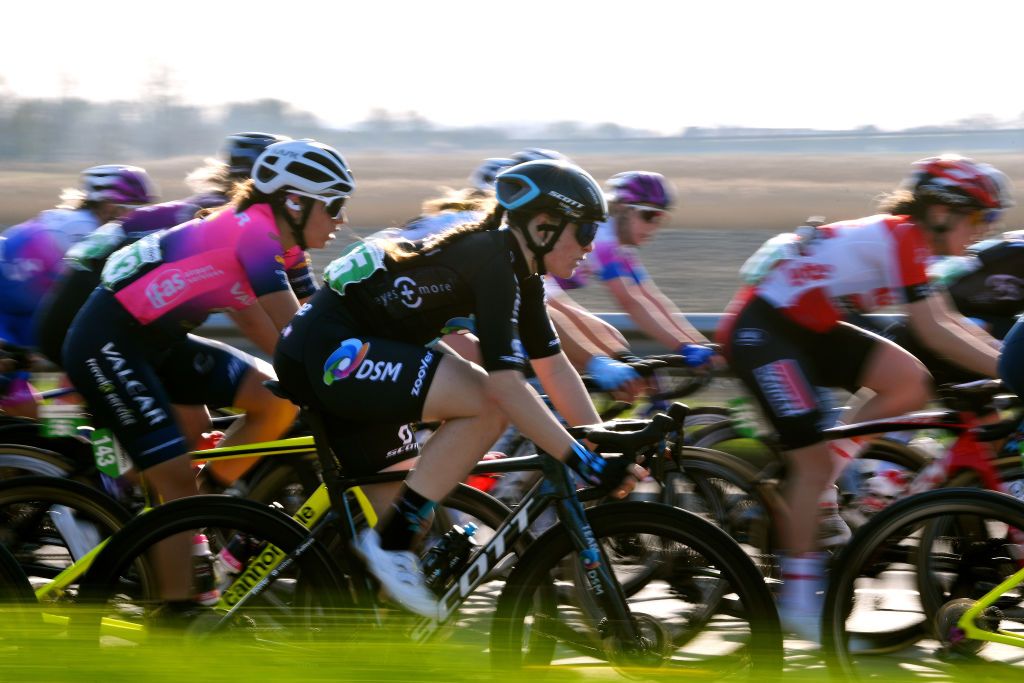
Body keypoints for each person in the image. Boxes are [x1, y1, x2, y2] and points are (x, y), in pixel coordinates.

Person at [273, 159, 647, 618]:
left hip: (337, 354)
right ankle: (387, 548)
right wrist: (584, 462)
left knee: (414, 516)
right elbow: (507, 389)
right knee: (487, 405)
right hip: (329, 353)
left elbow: (554, 367)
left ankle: (369, 634)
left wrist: (597, 440)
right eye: (585, 232)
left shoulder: (520, 271)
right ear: (545, 226)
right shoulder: (492, 260)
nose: (590, 247)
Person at [716, 154, 1011, 638]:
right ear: (941, 211)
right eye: (980, 217)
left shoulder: (916, 246)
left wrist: (1008, 360)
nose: (982, 230)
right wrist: (1011, 370)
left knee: (910, 382)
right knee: (809, 464)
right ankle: (797, 596)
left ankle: (829, 468)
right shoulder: (902, 238)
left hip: (810, 327)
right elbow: (933, 331)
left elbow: (951, 321)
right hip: (764, 330)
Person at [62, 138, 355, 612]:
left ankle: (205, 507)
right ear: (295, 203)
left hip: (158, 342)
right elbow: (296, 336)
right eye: (335, 205)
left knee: (273, 399)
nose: (342, 219)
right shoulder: (256, 236)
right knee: (175, 481)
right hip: (108, 344)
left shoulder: (278, 239)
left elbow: (316, 320)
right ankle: (175, 619)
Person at [0, 164, 157, 417]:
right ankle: (63, 443)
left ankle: (62, 442)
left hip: (20, 313)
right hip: (20, 315)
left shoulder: (69, 219)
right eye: (131, 209)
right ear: (108, 205)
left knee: (26, 404)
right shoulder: (85, 230)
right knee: (79, 377)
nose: (135, 218)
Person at [545, 171, 715, 367]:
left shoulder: (618, 243)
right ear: (622, 209)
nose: (654, 226)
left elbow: (648, 295)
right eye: (649, 215)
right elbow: (629, 302)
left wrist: (698, 343)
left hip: (550, 300)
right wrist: (683, 347)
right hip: (538, 299)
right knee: (609, 347)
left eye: (661, 218)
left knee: (613, 343)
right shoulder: (601, 237)